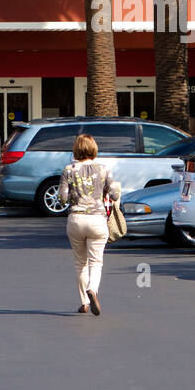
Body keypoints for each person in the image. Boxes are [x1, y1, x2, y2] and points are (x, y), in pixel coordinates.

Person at [58, 133, 120, 315]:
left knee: (80, 263)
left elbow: (62, 198)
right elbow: (114, 194)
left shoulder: (68, 170)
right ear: (94, 148)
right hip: (97, 220)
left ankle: (84, 302)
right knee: (96, 261)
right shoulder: (103, 169)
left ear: (76, 149)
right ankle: (93, 289)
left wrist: (72, 196)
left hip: (76, 219)